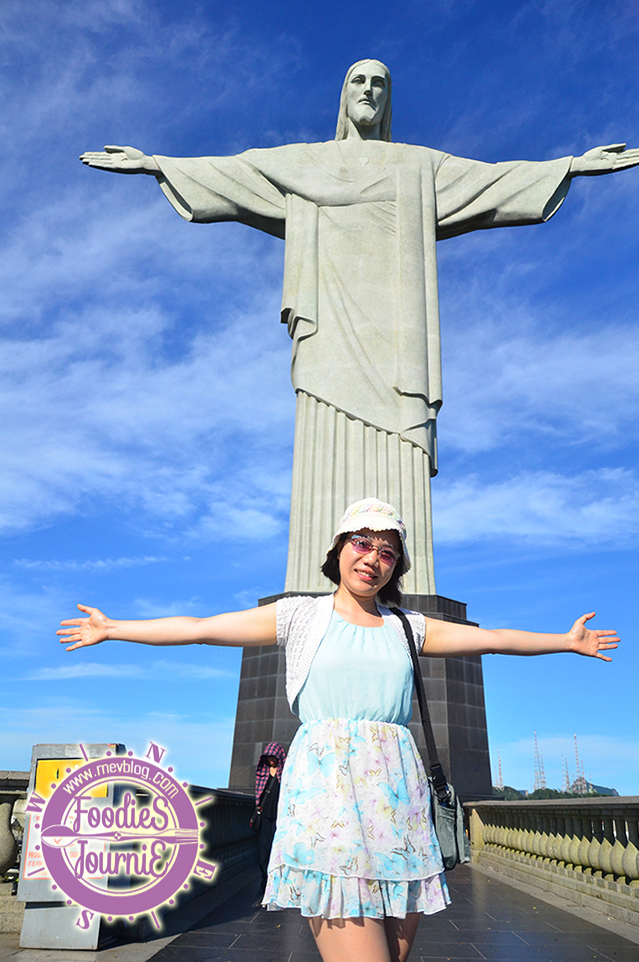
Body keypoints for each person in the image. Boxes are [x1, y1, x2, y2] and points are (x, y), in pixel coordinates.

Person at [78, 61, 639, 600]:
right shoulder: (303, 162)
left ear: (388, 99)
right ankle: (315, 577)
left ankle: (404, 590)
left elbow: (492, 182)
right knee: (322, 438)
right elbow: (235, 172)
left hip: (399, 341)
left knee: (401, 443)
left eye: (379, 83)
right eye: (358, 81)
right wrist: (156, 163)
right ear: (343, 96)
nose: (369, 90)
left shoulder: (419, 166)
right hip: (328, 334)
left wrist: (569, 165)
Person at [58, 497, 619, 962]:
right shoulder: (300, 616)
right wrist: (115, 629)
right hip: (327, 795)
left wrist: (564, 642)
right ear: (338, 549)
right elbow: (203, 628)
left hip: (397, 801)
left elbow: (494, 639)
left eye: (387, 552)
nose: (373, 558)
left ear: (396, 566)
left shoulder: (408, 626)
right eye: (362, 543)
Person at [254, 742, 287, 894]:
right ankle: (265, 877)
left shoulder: (285, 771)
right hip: (266, 815)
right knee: (264, 848)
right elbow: (259, 794)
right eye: (269, 758)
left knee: (279, 848)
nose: (271, 761)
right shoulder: (263, 772)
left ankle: (278, 879)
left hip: (281, 816)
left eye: (273, 758)